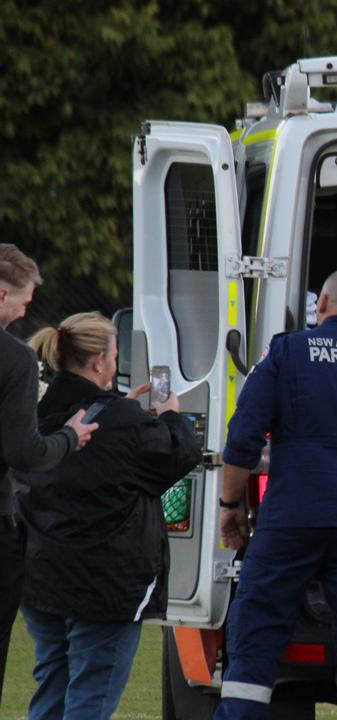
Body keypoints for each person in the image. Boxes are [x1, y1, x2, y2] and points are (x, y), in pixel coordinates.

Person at [215, 268, 337, 719]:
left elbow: (243, 438)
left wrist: (230, 506)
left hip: (291, 519)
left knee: (256, 630)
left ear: (322, 306)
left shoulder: (288, 350)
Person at [16, 311, 200, 719]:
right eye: (115, 355)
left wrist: (123, 407)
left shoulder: (36, 413)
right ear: (100, 361)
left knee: (52, 685)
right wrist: (171, 414)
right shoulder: (121, 421)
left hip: (43, 574)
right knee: (92, 696)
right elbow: (177, 454)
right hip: (106, 583)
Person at [0, 244, 96, 706]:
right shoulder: (14, 359)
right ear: (2, 295)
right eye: (24, 298)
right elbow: (24, 451)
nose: (27, 309)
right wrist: (71, 437)